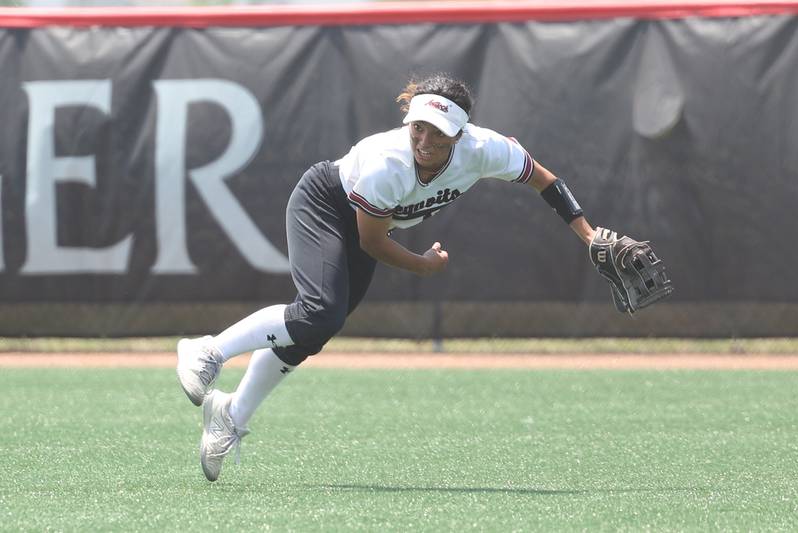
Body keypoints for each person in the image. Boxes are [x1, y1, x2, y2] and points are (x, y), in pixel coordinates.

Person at [178, 73, 599, 482]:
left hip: (371, 224)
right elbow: (373, 243)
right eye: (419, 128)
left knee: (312, 333)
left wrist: (590, 236)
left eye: (439, 132)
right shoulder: (389, 163)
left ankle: (228, 416)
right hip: (326, 205)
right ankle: (209, 351)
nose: (425, 141)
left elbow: (545, 180)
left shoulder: (484, 149)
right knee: (319, 313)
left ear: (461, 133)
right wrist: (422, 265)